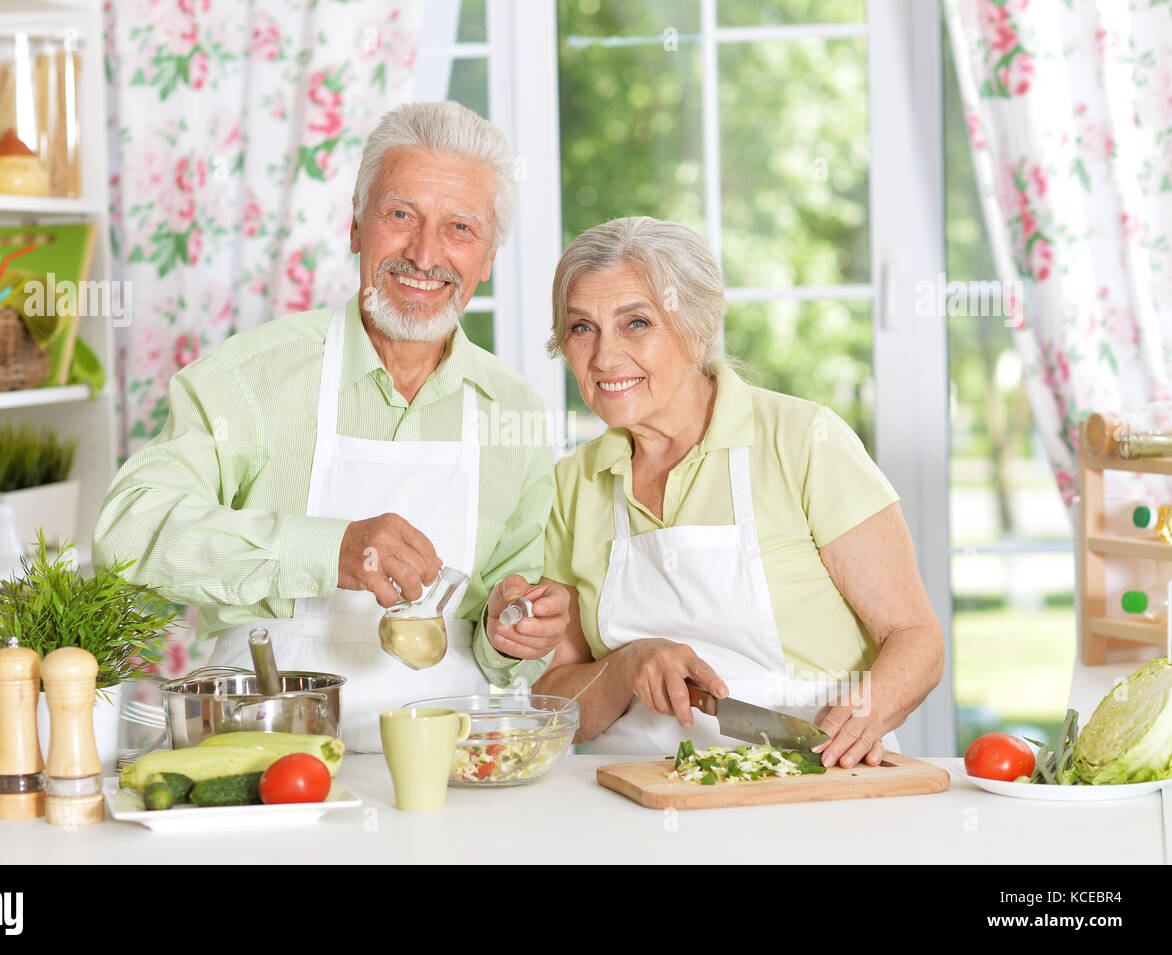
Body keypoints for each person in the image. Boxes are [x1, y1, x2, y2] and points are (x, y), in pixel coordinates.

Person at [94, 102, 569, 752]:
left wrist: (515, 626)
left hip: (449, 758)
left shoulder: (511, 409)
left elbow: (505, 634)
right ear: (355, 225)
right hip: (263, 743)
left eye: (459, 228)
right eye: (401, 215)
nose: (425, 254)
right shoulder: (250, 377)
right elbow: (127, 529)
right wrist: (326, 550)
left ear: (487, 257)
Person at [533, 217, 943, 768]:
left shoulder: (803, 442)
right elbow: (556, 705)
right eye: (583, 328)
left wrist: (863, 717)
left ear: (698, 330)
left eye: (636, 323)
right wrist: (626, 665)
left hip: (810, 784)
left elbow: (916, 637)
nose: (605, 357)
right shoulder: (571, 485)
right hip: (637, 800)